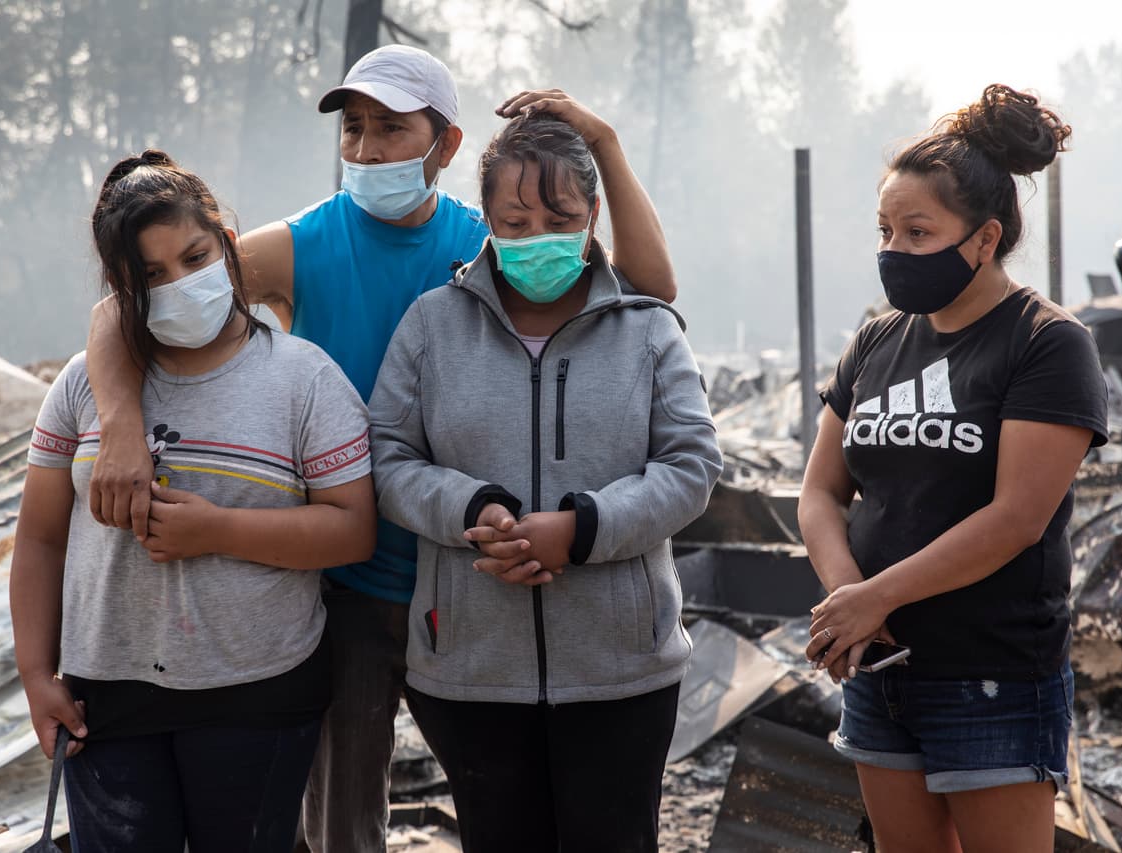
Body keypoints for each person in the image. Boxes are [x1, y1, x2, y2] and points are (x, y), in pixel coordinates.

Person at [81, 45, 680, 853]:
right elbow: (125, 305)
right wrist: (119, 426)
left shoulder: (494, 241)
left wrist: (602, 142)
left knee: (503, 802)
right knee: (343, 812)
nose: (367, 150)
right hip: (345, 579)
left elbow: (649, 288)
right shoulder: (302, 243)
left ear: (446, 145)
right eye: (354, 130)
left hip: (474, 575)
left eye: (392, 130)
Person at [367, 110, 722, 853]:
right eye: (514, 221)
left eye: (560, 217)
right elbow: (388, 455)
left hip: (623, 673)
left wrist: (582, 530)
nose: (536, 238)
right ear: (487, 221)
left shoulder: (648, 328)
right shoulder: (433, 325)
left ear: (594, 214)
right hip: (469, 669)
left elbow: (692, 465)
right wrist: (472, 508)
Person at [9, 150, 377, 852]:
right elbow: (41, 537)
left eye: (194, 256)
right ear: (122, 289)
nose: (179, 283)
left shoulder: (305, 380)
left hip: (259, 691)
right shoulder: (84, 384)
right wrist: (36, 671)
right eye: (151, 275)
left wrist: (216, 530)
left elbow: (353, 529)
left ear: (229, 247)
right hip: (104, 694)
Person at [799, 84, 1109, 853]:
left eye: (917, 231)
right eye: (884, 231)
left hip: (993, 676)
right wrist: (850, 603)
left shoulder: (1046, 343)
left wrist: (876, 598)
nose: (893, 252)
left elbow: (1016, 519)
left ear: (984, 237)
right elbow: (820, 490)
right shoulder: (876, 340)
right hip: (878, 672)